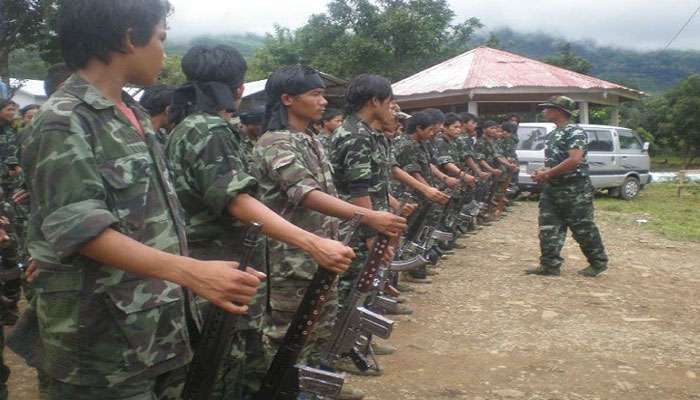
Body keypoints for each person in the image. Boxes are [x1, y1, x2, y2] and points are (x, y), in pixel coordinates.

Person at [9, 1, 269, 399]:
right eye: (161, 39)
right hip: (99, 344)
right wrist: (192, 272)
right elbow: (82, 231)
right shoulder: (63, 120)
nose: (165, 52)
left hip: (152, 328)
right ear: (130, 38)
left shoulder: (130, 115)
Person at [165, 45, 354, 400]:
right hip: (220, 271)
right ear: (237, 88)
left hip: (220, 269)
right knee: (225, 372)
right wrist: (312, 242)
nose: (323, 101)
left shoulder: (193, 127)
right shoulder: (209, 131)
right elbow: (238, 201)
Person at [250, 65, 406, 392]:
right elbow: (305, 193)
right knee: (287, 335)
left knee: (317, 330)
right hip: (291, 258)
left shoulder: (312, 139)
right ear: (288, 99)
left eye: (323, 94)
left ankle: (308, 388)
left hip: (324, 252)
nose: (323, 101)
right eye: (315, 94)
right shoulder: (276, 142)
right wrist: (366, 218)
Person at [527, 96, 608, 277]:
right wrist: (543, 171)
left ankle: (598, 262)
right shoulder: (554, 133)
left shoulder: (574, 132)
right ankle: (549, 264)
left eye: (548, 108)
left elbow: (574, 159)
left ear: (559, 111)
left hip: (575, 189)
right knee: (548, 227)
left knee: (582, 227)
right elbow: (555, 160)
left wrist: (547, 174)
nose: (544, 111)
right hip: (553, 188)